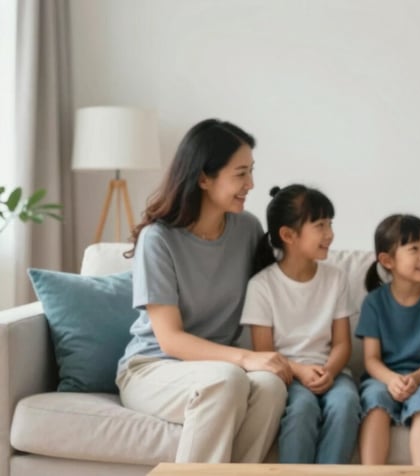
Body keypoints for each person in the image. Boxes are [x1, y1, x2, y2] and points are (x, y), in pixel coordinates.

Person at [116, 119, 291, 463]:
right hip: (153, 367)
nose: (251, 184)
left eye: (251, 172)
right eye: (240, 174)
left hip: (219, 369)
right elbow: (170, 340)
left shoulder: (247, 229)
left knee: (270, 387)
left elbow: (273, 295)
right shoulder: (159, 239)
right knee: (225, 380)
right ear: (203, 178)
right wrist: (245, 359)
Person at [240, 184, 361, 464]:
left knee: (346, 403)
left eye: (330, 224)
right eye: (320, 225)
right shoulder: (262, 286)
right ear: (288, 235)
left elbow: (343, 343)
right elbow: (264, 351)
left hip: (331, 372)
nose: (329, 234)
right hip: (285, 374)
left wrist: (328, 371)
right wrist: (301, 371)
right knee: (302, 408)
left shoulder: (336, 278)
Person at [355, 214, 420, 466]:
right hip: (382, 378)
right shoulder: (374, 302)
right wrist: (392, 380)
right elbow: (371, 359)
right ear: (387, 260)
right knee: (376, 401)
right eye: (414, 249)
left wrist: (415, 379)